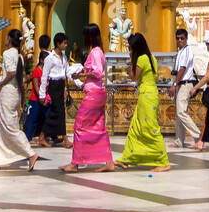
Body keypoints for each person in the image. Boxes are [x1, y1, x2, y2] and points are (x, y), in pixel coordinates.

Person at [0, 28, 41, 170]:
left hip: (8, 93)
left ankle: (30, 153)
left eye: (6, 37)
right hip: (15, 93)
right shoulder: (20, 56)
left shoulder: (7, 53)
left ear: (10, 39)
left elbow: (11, 74)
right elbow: (19, 78)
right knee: (1, 126)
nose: (4, 40)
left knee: (10, 127)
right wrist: (23, 97)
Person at [64, 23, 113, 172]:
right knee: (98, 127)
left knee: (80, 125)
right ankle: (107, 161)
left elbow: (97, 72)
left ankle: (75, 163)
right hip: (98, 93)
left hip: (93, 94)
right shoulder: (98, 51)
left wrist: (80, 75)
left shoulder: (96, 52)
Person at [117, 32, 170, 171]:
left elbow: (134, 77)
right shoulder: (151, 57)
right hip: (151, 93)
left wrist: (130, 63)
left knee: (150, 128)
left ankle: (164, 161)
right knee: (136, 127)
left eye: (131, 48)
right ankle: (126, 158)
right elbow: (156, 78)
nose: (130, 50)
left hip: (146, 95)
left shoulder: (141, 59)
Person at [171, 27, 202, 149]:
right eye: (177, 38)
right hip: (180, 84)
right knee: (179, 114)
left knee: (181, 112)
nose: (179, 40)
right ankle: (179, 140)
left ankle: (198, 135)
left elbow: (182, 69)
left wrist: (174, 84)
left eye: (182, 38)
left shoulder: (187, 51)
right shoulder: (180, 52)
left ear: (186, 39)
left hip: (185, 84)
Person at [40, 33, 71, 148]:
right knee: (59, 112)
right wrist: (42, 94)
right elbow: (44, 76)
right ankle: (65, 138)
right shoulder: (50, 58)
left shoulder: (65, 57)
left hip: (61, 85)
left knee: (55, 112)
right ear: (58, 44)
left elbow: (67, 73)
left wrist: (79, 82)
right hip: (53, 85)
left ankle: (42, 136)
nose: (66, 45)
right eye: (64, 43)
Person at [25, 34, 50, 144]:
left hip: (44, 98)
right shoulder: (36, 71)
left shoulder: (45, 71)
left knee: (47, 117)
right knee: (32, 118)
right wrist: (41, 97)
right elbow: (35, 86)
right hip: (36, 99)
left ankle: (43, 136)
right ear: (41, 60)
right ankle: (28, 138)